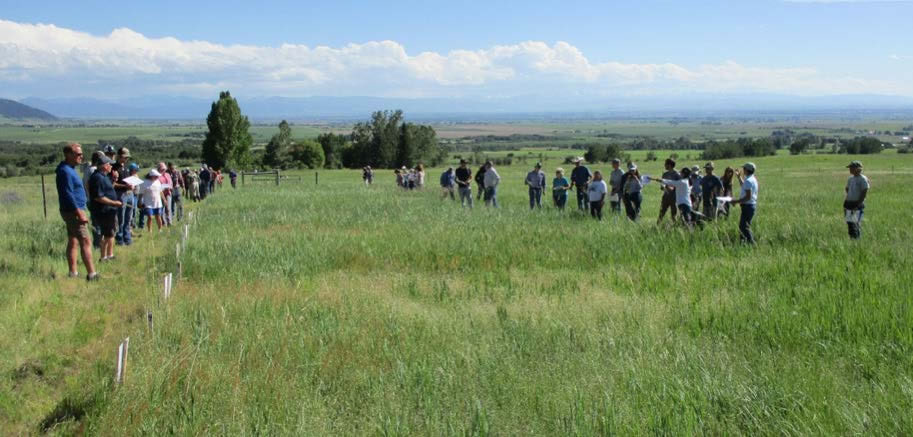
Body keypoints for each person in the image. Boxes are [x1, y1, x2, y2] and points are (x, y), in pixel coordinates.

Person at [55, 143, 98, 281]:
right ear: (68, 155)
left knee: (73, 241)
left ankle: (72, 273)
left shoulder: (69, 169)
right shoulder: (65, 171)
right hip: (73, 211)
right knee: (85, 240)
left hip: (73, 209)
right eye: (78, 154)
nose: (81, 156)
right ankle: (92, 275)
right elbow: (67, 193)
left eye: (81, 154)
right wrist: (78, 212)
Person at [88, 155, 123, 263]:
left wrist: (115, 179)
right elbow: (99, 197)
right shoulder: (97, 178)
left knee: (110, 233)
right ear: (104, 166)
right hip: (104, 210)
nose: (111, 167)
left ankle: (109, 255)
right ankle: (104, 257)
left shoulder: (104, 176)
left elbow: (109, 189)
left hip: (109, 210)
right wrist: (114, 203)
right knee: (107, 234)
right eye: (109, 165)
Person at [730, 162, 759, 244]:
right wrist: (739, 178)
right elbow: (744, 186)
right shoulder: (751, 179)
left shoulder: (749, 181)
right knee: (743, 227)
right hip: (749, 206)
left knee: (744, 227)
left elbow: (748, 197)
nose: (743, 170)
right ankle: (743, 243)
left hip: (748, 207)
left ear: (747, 170)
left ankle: (752, 244)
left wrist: (736, 201)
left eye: (744, 169)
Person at [112, 147, 134, 245]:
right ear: (119, 156)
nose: (126, 159)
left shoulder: (126, 167)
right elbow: (113, 184)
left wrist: (132, 184)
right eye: (124, 157)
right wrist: (125, 186)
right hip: (120, 194)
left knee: (128, 218)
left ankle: (127, 237)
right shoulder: (114, 168)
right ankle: (120, 239)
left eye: (127, 158)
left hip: (129, 194)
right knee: (121, 218)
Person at [844, 160, 869, 240]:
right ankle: (852, 239)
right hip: (848, 203)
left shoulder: (863, 179)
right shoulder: (850, 178)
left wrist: (858, 203)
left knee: (855, 223)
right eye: (850, 168)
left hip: (857, 204)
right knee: (850, 223)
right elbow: (847, 188)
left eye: (851, 168)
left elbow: (864, 191)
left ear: (858, 168)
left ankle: (856, 241)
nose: (850, 169)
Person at [657, 158, 680, 225]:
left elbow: (679, 186)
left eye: (665, 164)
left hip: (674, 197)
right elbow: (662, 186)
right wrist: (663, 187)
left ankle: (675, 227)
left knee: (673, 215)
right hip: (665, 197)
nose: (664, 165)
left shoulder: (677, 174)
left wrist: (669, 187)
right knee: (661, 213)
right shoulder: (665, 174)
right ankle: (657, 227)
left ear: (669, 165)